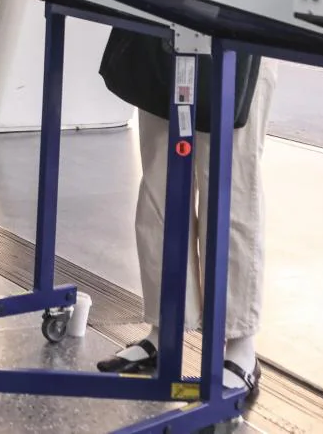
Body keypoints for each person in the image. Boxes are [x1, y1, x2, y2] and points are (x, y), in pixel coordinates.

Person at [93, 31, 276, 405]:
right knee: (160, 183)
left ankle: (240, 343)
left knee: (229, 187)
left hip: (242, 22)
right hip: (170, 20)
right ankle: (166, 327)